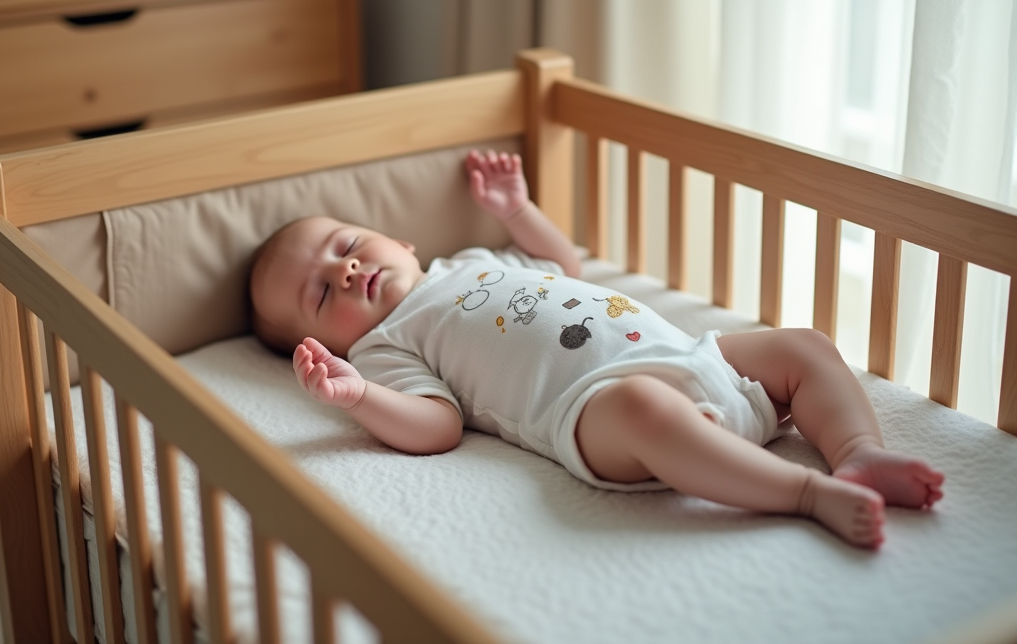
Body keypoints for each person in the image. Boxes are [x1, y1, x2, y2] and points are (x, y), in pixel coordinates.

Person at [249, 149, 944, 549]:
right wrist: (359, 394)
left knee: (805, 344)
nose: (342, 271)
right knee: (647, 406)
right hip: (595, 409)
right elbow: (438, 426)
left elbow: (562, 265)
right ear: (327, 341)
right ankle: (804, 493)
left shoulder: (468, 260)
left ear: (398, 243)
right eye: (318, 294)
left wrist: (516, 210)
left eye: (344, 246)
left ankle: (857, 452)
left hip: (697, 356)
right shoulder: (384, 346)